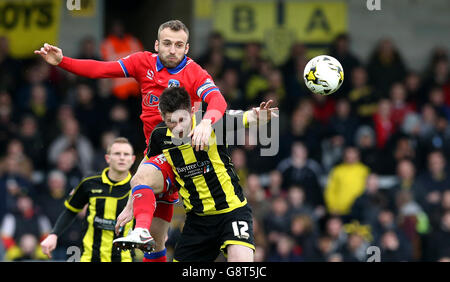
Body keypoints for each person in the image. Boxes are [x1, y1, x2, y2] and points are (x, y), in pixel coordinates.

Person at [35, 20, 228, 261]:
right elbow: (101, 70)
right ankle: (145, 233)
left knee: (141, 178)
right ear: (157, 44)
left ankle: (140, 229)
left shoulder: (195, 72)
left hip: (184, 153)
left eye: (179, 45)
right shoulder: (142, 62)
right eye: (167, 43)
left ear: (186, 48)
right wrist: (63, 61)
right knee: (158, 241)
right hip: (157, 152)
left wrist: (207, 122)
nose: (172, 50)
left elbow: (218, 100)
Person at [114, 87, 278, 262]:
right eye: (171, 122)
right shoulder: (160, 136)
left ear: (192, 111)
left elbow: (245, 118)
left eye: (182, 120)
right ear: (162, 117)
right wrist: (132, 203)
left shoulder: (210, 122)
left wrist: (259, 116)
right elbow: (144, 171)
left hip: (232, 212)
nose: (178, 128)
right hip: (197, 221)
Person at [39, 137, 136, 262]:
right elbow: (71, 210)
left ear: (132, 159)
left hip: (124, 258)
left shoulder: (138, 187)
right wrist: (53, 234)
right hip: (90, 257)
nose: (122, 157)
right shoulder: (89, 182)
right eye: (117, 153)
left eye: (126, 154)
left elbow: (149, 215)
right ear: (107, 158)